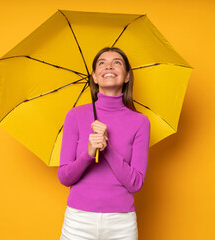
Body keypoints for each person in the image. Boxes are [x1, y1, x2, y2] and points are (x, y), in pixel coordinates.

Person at [58, 47, 150, 240]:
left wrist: (107, 148)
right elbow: (65, 177)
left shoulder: (140, 122)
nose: (109, 66)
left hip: (121, 223)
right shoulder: (75, 116)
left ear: (126, 77)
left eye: (117, 62)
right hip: (78, 220)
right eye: (102, 63)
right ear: (95, 77)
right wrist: (88, 153)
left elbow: (135, 184)